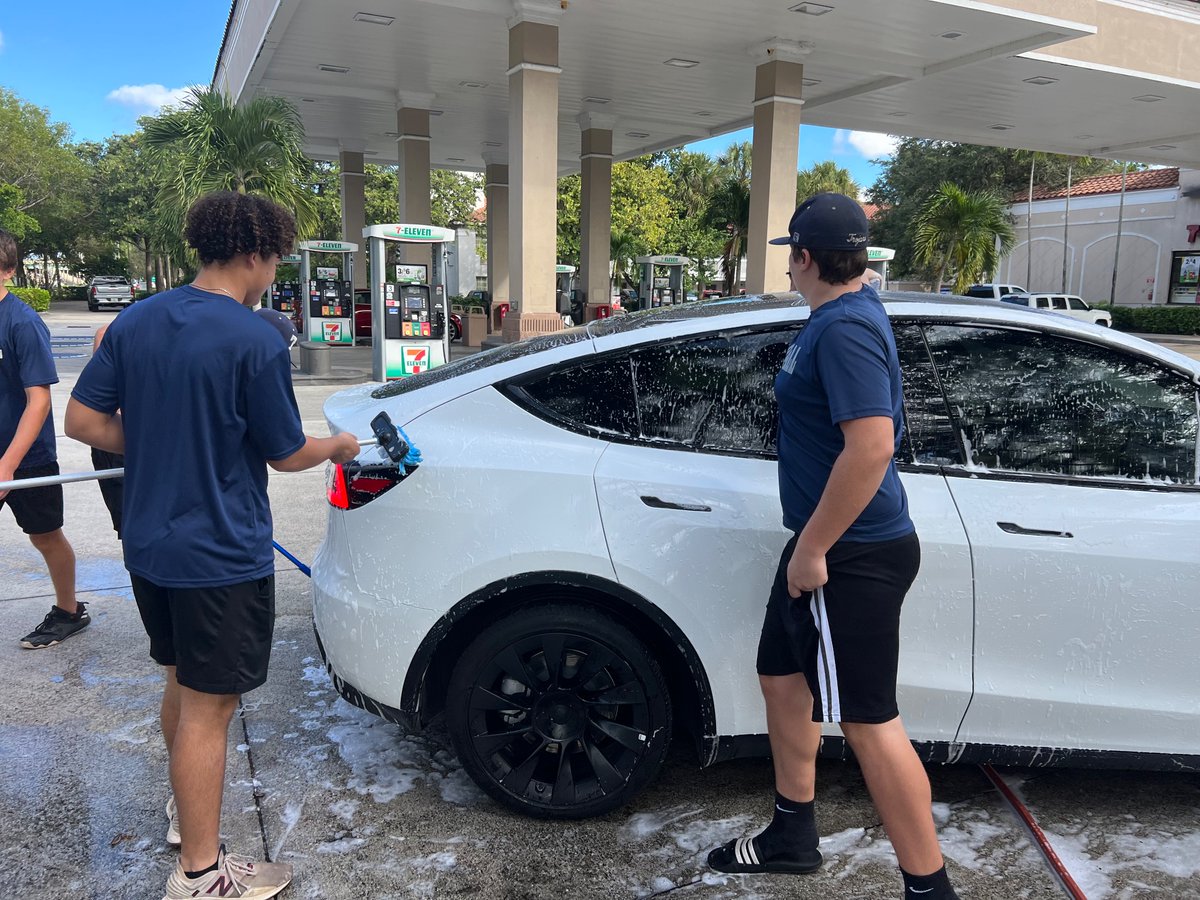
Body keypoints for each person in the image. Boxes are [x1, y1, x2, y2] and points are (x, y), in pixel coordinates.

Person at [66, 191, 360, 900]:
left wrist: (161, 443)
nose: (274, 274)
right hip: (219, 554)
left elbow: (81, 420)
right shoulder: (255, 337)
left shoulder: (136, 320)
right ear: (257, 254)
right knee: (211, 708)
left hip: (150, 549)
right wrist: (339, 445)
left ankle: (186, 809)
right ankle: (201, 874)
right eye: (277, 260)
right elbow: (287, 452)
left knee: (178, 678)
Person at [707, 194, 960, 900]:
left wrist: (814, 548)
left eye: (790, 252)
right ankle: (793, 834)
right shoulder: (842, 315)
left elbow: (873, 445)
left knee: (870, 722)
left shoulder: (843, 328)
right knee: (782, 680)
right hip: (823, 544)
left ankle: (930, 888)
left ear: (805, 257)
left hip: (850, 555)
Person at [0, 228, 85, 649]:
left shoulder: (22, 323)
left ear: (9, 272)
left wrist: (7, 465)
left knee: (45, 535)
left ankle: (68, 611)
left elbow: (38, 402)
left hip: (24, 457)